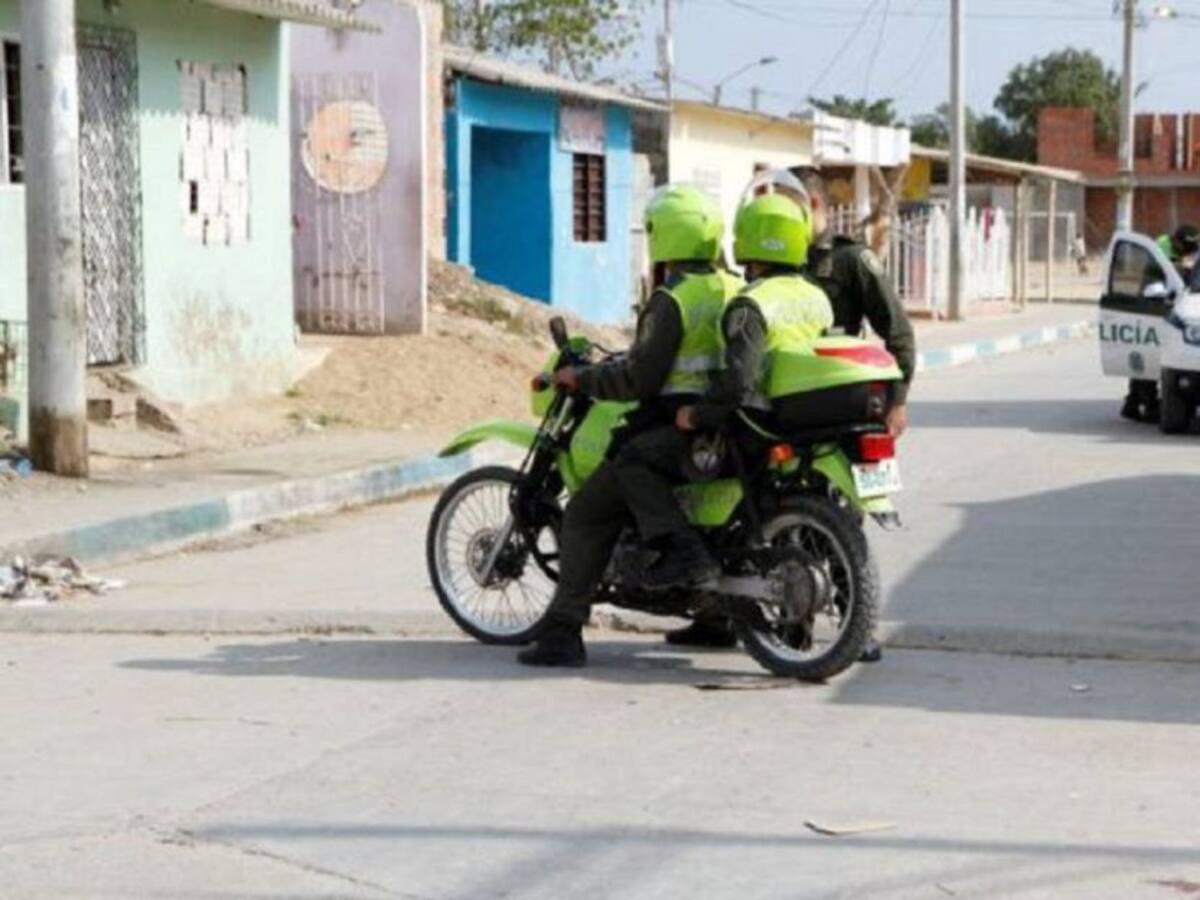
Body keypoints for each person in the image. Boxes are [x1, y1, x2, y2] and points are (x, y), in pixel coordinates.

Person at [517, 185, 745, 668]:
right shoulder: (731, 287)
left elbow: (640, 379)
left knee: (586, 514)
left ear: (665, 235)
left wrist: (582, 378)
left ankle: (563, 634)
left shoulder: (672, 299)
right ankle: (716, 618)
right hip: (721, 422)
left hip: (671, 421)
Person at [666, 172, 836, 650]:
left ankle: (697, 575)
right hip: (802, 424)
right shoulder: (816, 297)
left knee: (665, 472)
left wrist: (697, 416)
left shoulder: (751, 304)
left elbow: (737, 382)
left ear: (748, 240)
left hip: (754, 427)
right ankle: (735, 621)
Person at [1123, 224, 1200, 423]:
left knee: (1148, 356)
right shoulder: (1161, 248)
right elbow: (1164, 274)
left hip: (1167, 302)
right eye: (1187, 248)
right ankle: (1147, 405)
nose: (1190, 252)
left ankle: (1132, 403)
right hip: (1152, 302)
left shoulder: (1184, 250)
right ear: (1177, 242)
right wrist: (1183, 267)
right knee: (1149, 355)